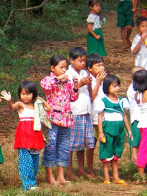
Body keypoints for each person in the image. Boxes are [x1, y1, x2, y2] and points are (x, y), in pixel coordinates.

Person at [0, 81, 51, 190]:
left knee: (35, 159)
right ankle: (26, 183)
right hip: (24, 134)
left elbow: (49, 109)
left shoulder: (36, 105)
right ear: (19, 94)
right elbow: (12, 107)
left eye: (28, 93)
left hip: (35, 134)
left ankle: (33, 182)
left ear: (33, 94)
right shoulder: (20, 104)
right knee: (25, 159)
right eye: (23, 94)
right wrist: (9, 101)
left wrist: (42, 101)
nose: (25, 96)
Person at [40, 54, 79, 185]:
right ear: (52, 68)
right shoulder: (48, 80)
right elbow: (45, 87)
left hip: (66, 119)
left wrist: (76, 86)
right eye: (61, 67)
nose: (63, 70)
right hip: (52, 120)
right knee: (51, 146)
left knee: (63, 147)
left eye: (65, 68)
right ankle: (50, 176)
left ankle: (61, 176)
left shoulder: (67, 82)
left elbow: (73, 97)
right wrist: (57, 79)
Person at [65, 47, 97, 180]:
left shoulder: (84, 72)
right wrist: (80, 84)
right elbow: (67, 92)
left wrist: (88, 84)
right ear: (71, 60)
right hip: (75, 110)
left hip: (86, 109)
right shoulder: (68, 74)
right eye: (80, 61)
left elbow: (90, 94)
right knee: (71, 143)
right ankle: (69, 171)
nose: (82, 63)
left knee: (82, 142)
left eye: (84, 61)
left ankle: (82, 169)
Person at [97, 74, 132, 185]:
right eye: (114, 86)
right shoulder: (103, 101)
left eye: (118, 86)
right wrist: (101, 132)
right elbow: (100, 117)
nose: (117, 88)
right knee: (107, 153)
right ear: (107, 87)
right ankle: (107, 178)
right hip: (108, 130)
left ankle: (116, 177)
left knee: (116, 154)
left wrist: (128, 130)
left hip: (119, 130)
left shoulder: (122, 101)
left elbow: (124, 116)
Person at [86, 53, 106, 146]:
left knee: (105, 139)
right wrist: (98, 82)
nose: (101, 68)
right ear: (90, 68)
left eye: (102, 65)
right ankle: (90, 161)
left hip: (104, 115)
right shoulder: (90, 81)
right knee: (92, 143)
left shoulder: (105, 79)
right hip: (94, 115)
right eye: (98, 65)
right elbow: (92, 97)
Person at [127, 66, 144, 162]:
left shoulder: (141, 87)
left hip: (143, 118)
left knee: (142, 139)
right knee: (136, 138)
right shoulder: (133, 88)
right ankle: (134, 155)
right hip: (137, 118)